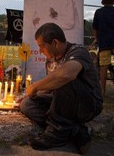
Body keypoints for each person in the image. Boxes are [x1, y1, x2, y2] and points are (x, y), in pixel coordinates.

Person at [19, 23, 103, 154]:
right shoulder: (50, 60)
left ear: (55, 42)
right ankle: (75, 131)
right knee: (27, 105)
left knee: (64, 79)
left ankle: (54, 135)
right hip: (64, 103)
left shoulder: (78, 51)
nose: (40, 51)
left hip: (87, 104)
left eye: (42, 46)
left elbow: (65, 75)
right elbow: (49, 88)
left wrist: (35, 86)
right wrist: (34, 94)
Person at [92, 0, 114, 96]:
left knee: (103, 67)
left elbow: (95, 29)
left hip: (104, 43)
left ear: (102, 1)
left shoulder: (98, 12)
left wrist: (97, 39)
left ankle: (102, 91)